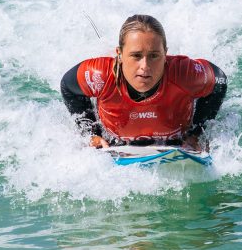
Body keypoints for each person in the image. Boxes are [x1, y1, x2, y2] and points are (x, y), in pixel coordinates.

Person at [60, 14, 227, 150]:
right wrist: (91, 133)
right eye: (136, 56)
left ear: (165, 54)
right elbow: (68, 87)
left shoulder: (184, 73)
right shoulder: (101, 75)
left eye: (154, 56)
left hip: (175, 141)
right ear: (120, 54)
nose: (145, 67)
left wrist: (196, 133)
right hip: (115, 139)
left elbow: (219, 81)